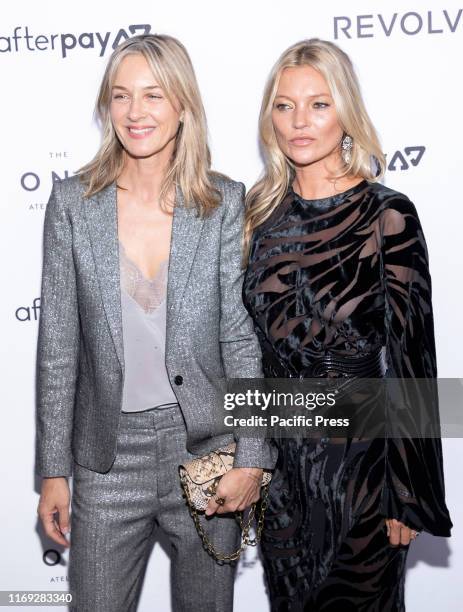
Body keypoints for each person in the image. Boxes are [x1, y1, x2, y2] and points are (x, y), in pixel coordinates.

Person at [35, 34, 275, 612]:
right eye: (121, 96)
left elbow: (241, 340)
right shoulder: (71, 205)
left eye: (153, 95)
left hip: (206, 454)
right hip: (106, 457)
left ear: (182, 106)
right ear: (107, 106)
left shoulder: (222, 202)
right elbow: (58, 348)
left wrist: (252, 455)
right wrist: (52, 471)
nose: (136, 112)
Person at [242, 38, 452, 611]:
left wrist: (407, 495)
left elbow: (413, 359)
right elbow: (246, 353)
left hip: (366, 471)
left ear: (347, 113)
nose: (299, 122)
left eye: (319, 104)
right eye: (284, 106)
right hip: (284, 475)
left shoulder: (387, 215)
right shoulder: (257, 220)